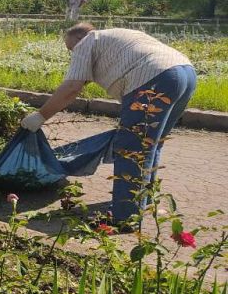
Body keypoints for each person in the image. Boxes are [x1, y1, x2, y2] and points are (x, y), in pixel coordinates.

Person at [20, 23, 195, 226]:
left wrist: (40, 116)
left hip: (154, 77)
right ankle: (143, 200)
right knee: (151, 143)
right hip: (185, 73)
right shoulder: (115, 36)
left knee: (131, 148)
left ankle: (124, 218)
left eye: (71, 49)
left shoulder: (86, 42)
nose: (72, 54)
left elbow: (72, 87)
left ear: (79, 38)